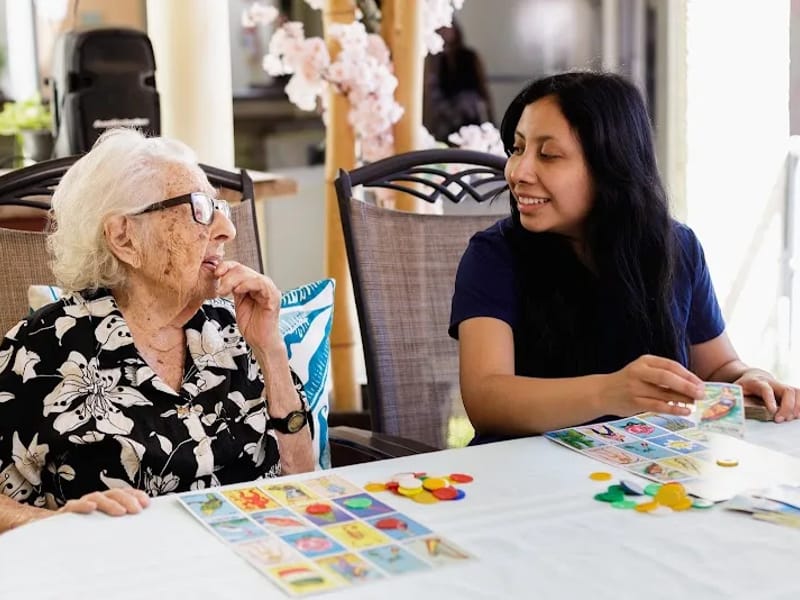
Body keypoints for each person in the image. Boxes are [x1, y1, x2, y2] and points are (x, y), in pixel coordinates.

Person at [449, 71, 800, 444]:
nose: (518, 172)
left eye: (548, 155)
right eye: (517, 149)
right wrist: (611, 393)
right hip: (523, 478)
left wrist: (749, 378)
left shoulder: (677, 248)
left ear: (610, 166)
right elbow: (486, 400)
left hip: (649, 475)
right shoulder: (494, 256)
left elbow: (718, 367)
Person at [0, 128, 315, 532]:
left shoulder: (237, 329)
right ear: (124, 238)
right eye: (200, 208)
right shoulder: (41, 349)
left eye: (219, 206)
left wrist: (271, 352)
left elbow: (306, 482)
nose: (226, 229)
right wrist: (56, 523)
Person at [423, 21, 494, 141]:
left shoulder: (469, 56)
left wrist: (490, 116)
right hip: (446, 115)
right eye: (441, 29)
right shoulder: (435, 60)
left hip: (470, 111)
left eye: (448, 28)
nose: (445, 32)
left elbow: (482, 87)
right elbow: (431, 88)